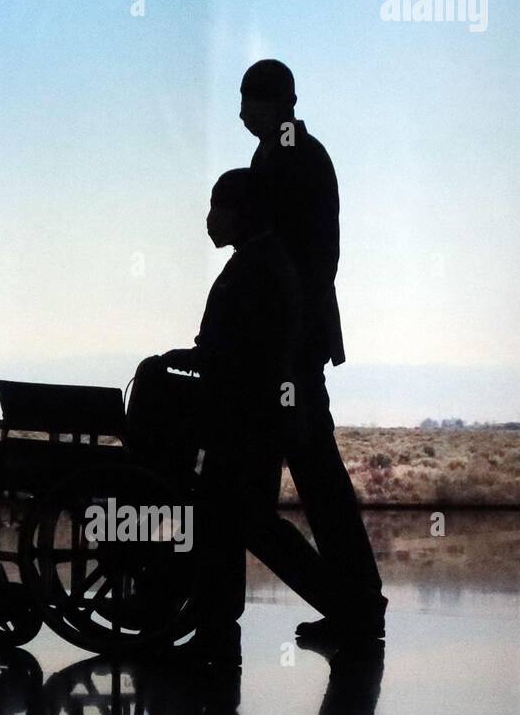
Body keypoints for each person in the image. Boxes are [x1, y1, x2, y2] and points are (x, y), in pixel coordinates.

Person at [155, 168, 343, 665]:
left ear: (241, 214)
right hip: (252, 415)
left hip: (246, 420)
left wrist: (175, 363)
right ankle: (223, 626)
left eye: (217, 210)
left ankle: (343, 610)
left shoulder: (256, 268)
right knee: (242, 523)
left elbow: (238, 354)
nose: (209, 221)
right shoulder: (261, 261)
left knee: (245, 522)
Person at [240, 59, 386, 642]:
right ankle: (355, 604)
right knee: (320, 481)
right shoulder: (294, 153)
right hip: (294, 343)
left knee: (298, 486)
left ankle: (351, 604)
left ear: (274, 102)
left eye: (249, 99)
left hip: (287, 346)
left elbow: (286, 261)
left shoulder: (287, 157)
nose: (242, 112)